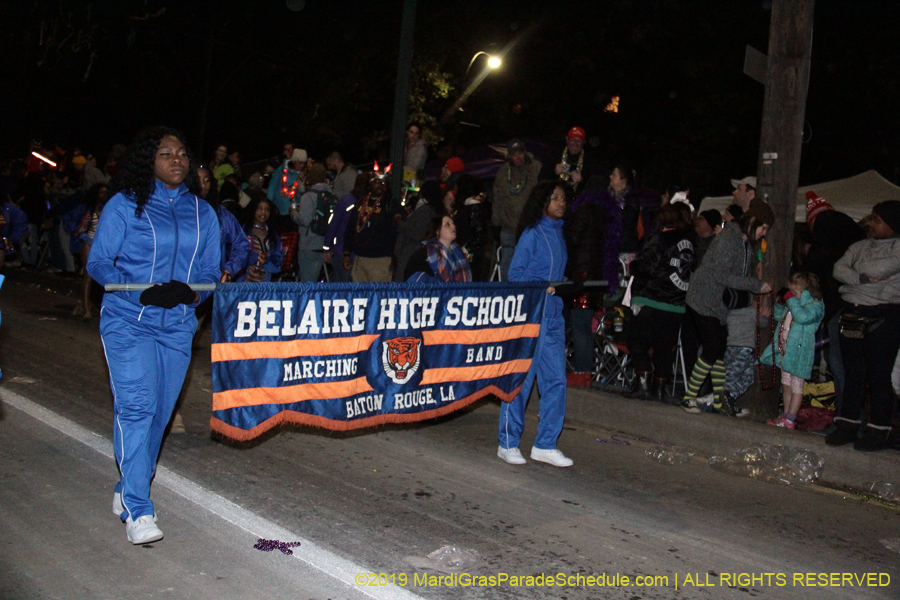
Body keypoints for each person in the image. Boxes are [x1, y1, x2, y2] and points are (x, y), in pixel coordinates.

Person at [87, 126, 220, 545]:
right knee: (137, 408)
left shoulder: (204, 213)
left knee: (161, 414)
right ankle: (138, 509)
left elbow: (209, 273)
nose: (177, 160)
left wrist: (192, 293)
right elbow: (98, 262)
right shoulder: (124, 206)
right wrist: (136, 287)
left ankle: (127, 486)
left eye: (182, 153)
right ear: (150, 161)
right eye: (166, 154)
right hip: (128, 320)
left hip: (178, 326)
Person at [498, 181, 573, 468]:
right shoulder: (532, 233)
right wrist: (543, 288)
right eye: (554, 198)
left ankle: (545, 444)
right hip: (531, 317)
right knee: (521, 380)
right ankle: (507, 442)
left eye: (563, 198)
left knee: (555, 381)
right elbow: (515, 275)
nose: (560, 203)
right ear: (542, 202)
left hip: (553, 317)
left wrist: (559, 288)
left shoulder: (560, 235)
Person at [681, 201, 773, 415]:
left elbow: (739, 275)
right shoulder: (728, 239)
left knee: (719, 350)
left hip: (718, 304)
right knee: (713, 348)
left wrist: (754, 279)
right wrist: (755, 285)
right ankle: (688, 398)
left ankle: (720, 402)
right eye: (764, 228)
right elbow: (721, 275)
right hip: (703, 298)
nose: (763, 234)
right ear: (753, 222)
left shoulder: (745, 244)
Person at [826, 200, 900, 451]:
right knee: (852, 372)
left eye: (878, 219)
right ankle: (847, 425)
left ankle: (879, 430)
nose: (871, 223)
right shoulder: (858, 246)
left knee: (878, 375)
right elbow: (838, 268)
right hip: (852, 314)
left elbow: (879, 267)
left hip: (883, 316)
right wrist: (860, 277)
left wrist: (856, 273)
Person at [625, 203, 695, 402]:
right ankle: (659, 387)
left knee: (637, 341)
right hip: (676, 304)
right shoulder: (689, 244)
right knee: (664, 348)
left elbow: (646, 266)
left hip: (652, 298)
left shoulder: (659, 240)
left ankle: (644, 381)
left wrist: (633, 266)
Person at [802, 191, 864, 415]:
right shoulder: (852, 235)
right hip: (861, 306)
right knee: (856, 366)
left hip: (840, 308)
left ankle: (846, 417)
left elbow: (818, 269)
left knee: (840, 364)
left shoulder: (825, 234)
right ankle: (855, 417)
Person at [761, 272, 825, 429]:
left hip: (800, 354)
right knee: (786, 384)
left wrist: (790, 299)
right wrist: (780, 302)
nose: (792, 296)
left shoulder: (815, 306)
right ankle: (785, 416)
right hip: (786, 351)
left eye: (795, 293)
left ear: (806, 292)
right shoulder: (792, 304)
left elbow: (802, 317)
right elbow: (777, 316)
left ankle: (791, 418)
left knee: (797, 386)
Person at [492, 138, 542, 281]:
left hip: (530, 228)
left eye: (520, 152)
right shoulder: (503, 172)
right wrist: (496, 223)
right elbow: (498, 199)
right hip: (509, 228)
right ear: (508, 155)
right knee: (507, 264)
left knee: (530, 264)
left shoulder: (536, 168)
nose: (518, 157)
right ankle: (507, 296)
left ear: (525, 152)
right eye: (514, 154)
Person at [342, 171, 400, 282]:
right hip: (359, 258)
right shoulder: (360, 202)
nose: (381, 185)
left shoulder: (391, 203)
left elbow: (397, 232)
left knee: (378, 296)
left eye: (384, 183)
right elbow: (350, 228)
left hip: (380, 260)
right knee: (359, 296)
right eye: (377, 182)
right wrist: (346, 254)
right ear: (370, 183)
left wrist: (394, 259)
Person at [394, 180, 443, 282]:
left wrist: (400, 224)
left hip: (411, 252)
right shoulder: (435, 210)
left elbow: (418, 233)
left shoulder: (425, 210)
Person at [290, 162, 332, 282]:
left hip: (309, 245)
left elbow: (304, 220)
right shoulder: (331, 195)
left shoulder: (308, 197)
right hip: (325, 245)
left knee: (307, 284)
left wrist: (293, 212)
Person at [324, 174, 368, 283]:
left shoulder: (346, 200)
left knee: (341, 286)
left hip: (341, 250)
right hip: (353, 253)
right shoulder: (367, 204)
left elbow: (333, 224)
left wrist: (327, 248)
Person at [404, 215, 472, 282]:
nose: (454, 226)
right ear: (437, 231)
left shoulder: (460, 253)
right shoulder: (424, 255)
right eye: (447, 224)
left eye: (453, 224)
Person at [539, 126, 600, 194]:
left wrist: (581, 180)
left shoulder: (588, 160)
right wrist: (554, 171)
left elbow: (594, 185)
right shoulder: (556, 154)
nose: (575, 144)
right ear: (567, 140)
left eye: (579, 141)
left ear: (584, 142)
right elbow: (541, 177)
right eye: (573, 140)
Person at [238, 198, 284, 283]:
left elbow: (279, 259)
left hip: (265, 285)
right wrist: (255, 257)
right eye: (260, 208)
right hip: (244, 284)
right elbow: (237, 255)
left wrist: (267, 258)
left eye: (267, 210)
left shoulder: (272, 234)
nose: (263, 213)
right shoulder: (244, 231)